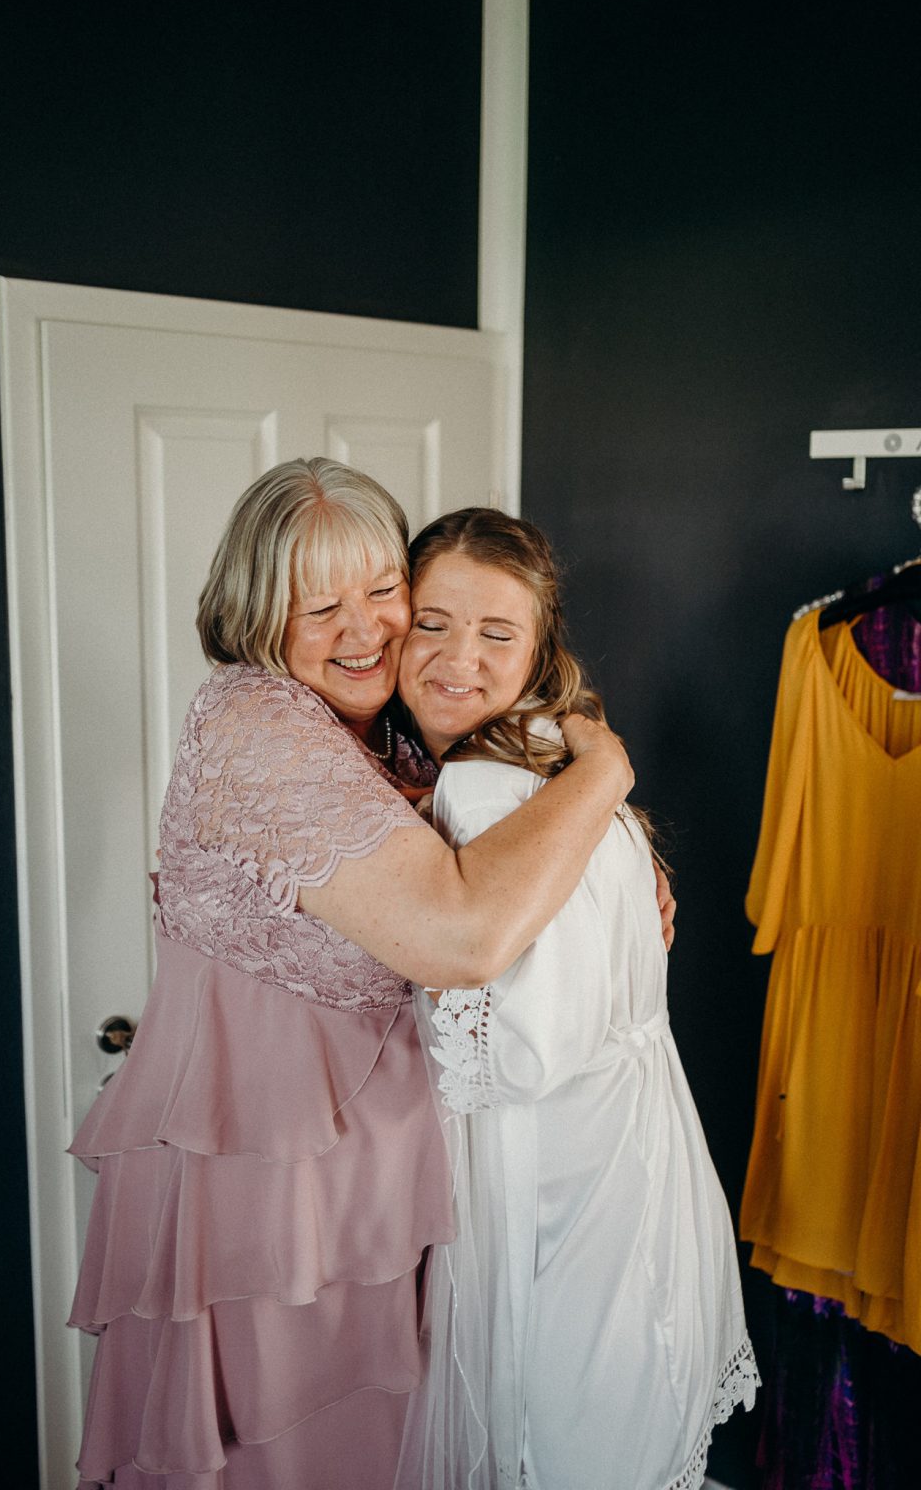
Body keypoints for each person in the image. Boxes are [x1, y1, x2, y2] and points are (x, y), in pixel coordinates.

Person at [67, 460, 651, 1490]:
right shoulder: (258, 727)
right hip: (267, 1191)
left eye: (385, 591)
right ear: (257, 616)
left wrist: (620, 868)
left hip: (384, 1179)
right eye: (318, 606)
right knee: (288, 1452)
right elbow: (460, 937)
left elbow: (515, 855)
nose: (365, 630)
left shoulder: (389, 726)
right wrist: (606, 774)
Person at [395, 507, 758, 1490]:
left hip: (558, 1202)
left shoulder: (482, 790)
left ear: (538, 649)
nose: (457, 658)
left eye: (495, 632)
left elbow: (516, 1049)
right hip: (639, 1177)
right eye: (432, 623)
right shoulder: (551, 756)